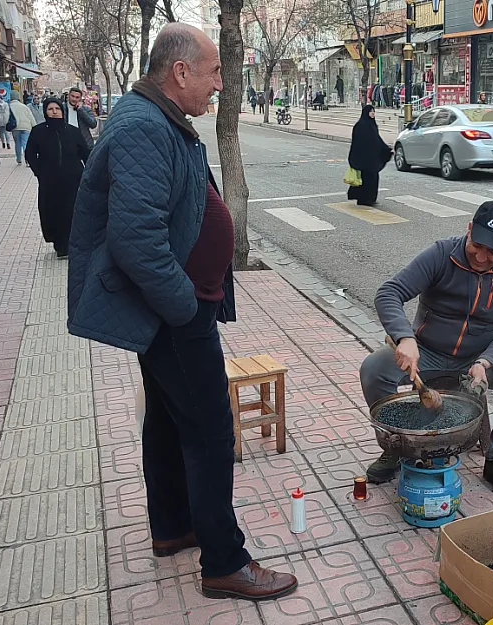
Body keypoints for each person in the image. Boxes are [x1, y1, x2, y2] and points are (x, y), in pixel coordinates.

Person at [68, 23, 299, 601]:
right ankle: (225, 561)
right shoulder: (144, 124)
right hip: (174, 311)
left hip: (176, 307)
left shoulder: (157, 118)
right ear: (181, 72)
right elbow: (136, 238)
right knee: (211, 433)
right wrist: (184, 307)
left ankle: (173, 527)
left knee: (170, 422)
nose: (222, 83)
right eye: (216, 71)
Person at [361, 201, 493, 501]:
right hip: (427, 350)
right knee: (374, 368)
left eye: (492, 252)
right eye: (477, 245)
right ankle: (395, 445)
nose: (481, 258)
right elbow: (389, 292)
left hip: (480, 357)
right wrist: (405, 338)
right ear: (469, 229)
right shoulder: (442, 254)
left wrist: (487, 361)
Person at [26, 97, 90, 258]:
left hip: (73, 181)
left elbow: (86, 154)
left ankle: (71, 244)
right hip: (50, 182)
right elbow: (30, 154)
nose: (54, 112)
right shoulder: (38, 131)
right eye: (50, 109)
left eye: (57, 109)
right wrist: (39, 172)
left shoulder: (73, 131)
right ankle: (59, 244)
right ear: (45, 111)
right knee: (53, 212)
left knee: (72, 212)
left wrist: (89, 174)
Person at [346, 105, 392, 207]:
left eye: (374, 112)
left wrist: (385, 149)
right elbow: (356, 143)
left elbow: (377, 140)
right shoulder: (360, 126)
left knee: (373, 178)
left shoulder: (373, 125)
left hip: (371, 159)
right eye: (371, 112)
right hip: (363, 158)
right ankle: (363, 199)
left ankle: (370, 198)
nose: (373, 113)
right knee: (365, 179)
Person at [8, 91, 36, 165]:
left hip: (15, 127)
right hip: (26, 126)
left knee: (17, 143)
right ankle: (28, 160)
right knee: (25, 143)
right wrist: (34, 126)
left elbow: (6, 117)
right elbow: (30, 117)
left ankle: (19, 159)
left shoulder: (9, 106)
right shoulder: (24, 106)